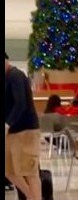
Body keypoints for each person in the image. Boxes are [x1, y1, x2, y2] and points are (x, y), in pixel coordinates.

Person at [5, 53, 42, 200]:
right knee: (9, 171)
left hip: (26, 131)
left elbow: (20, 103)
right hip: (12, 132)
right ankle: (30, 197)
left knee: (29, 171)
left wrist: (7, 123)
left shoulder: (16, 76)